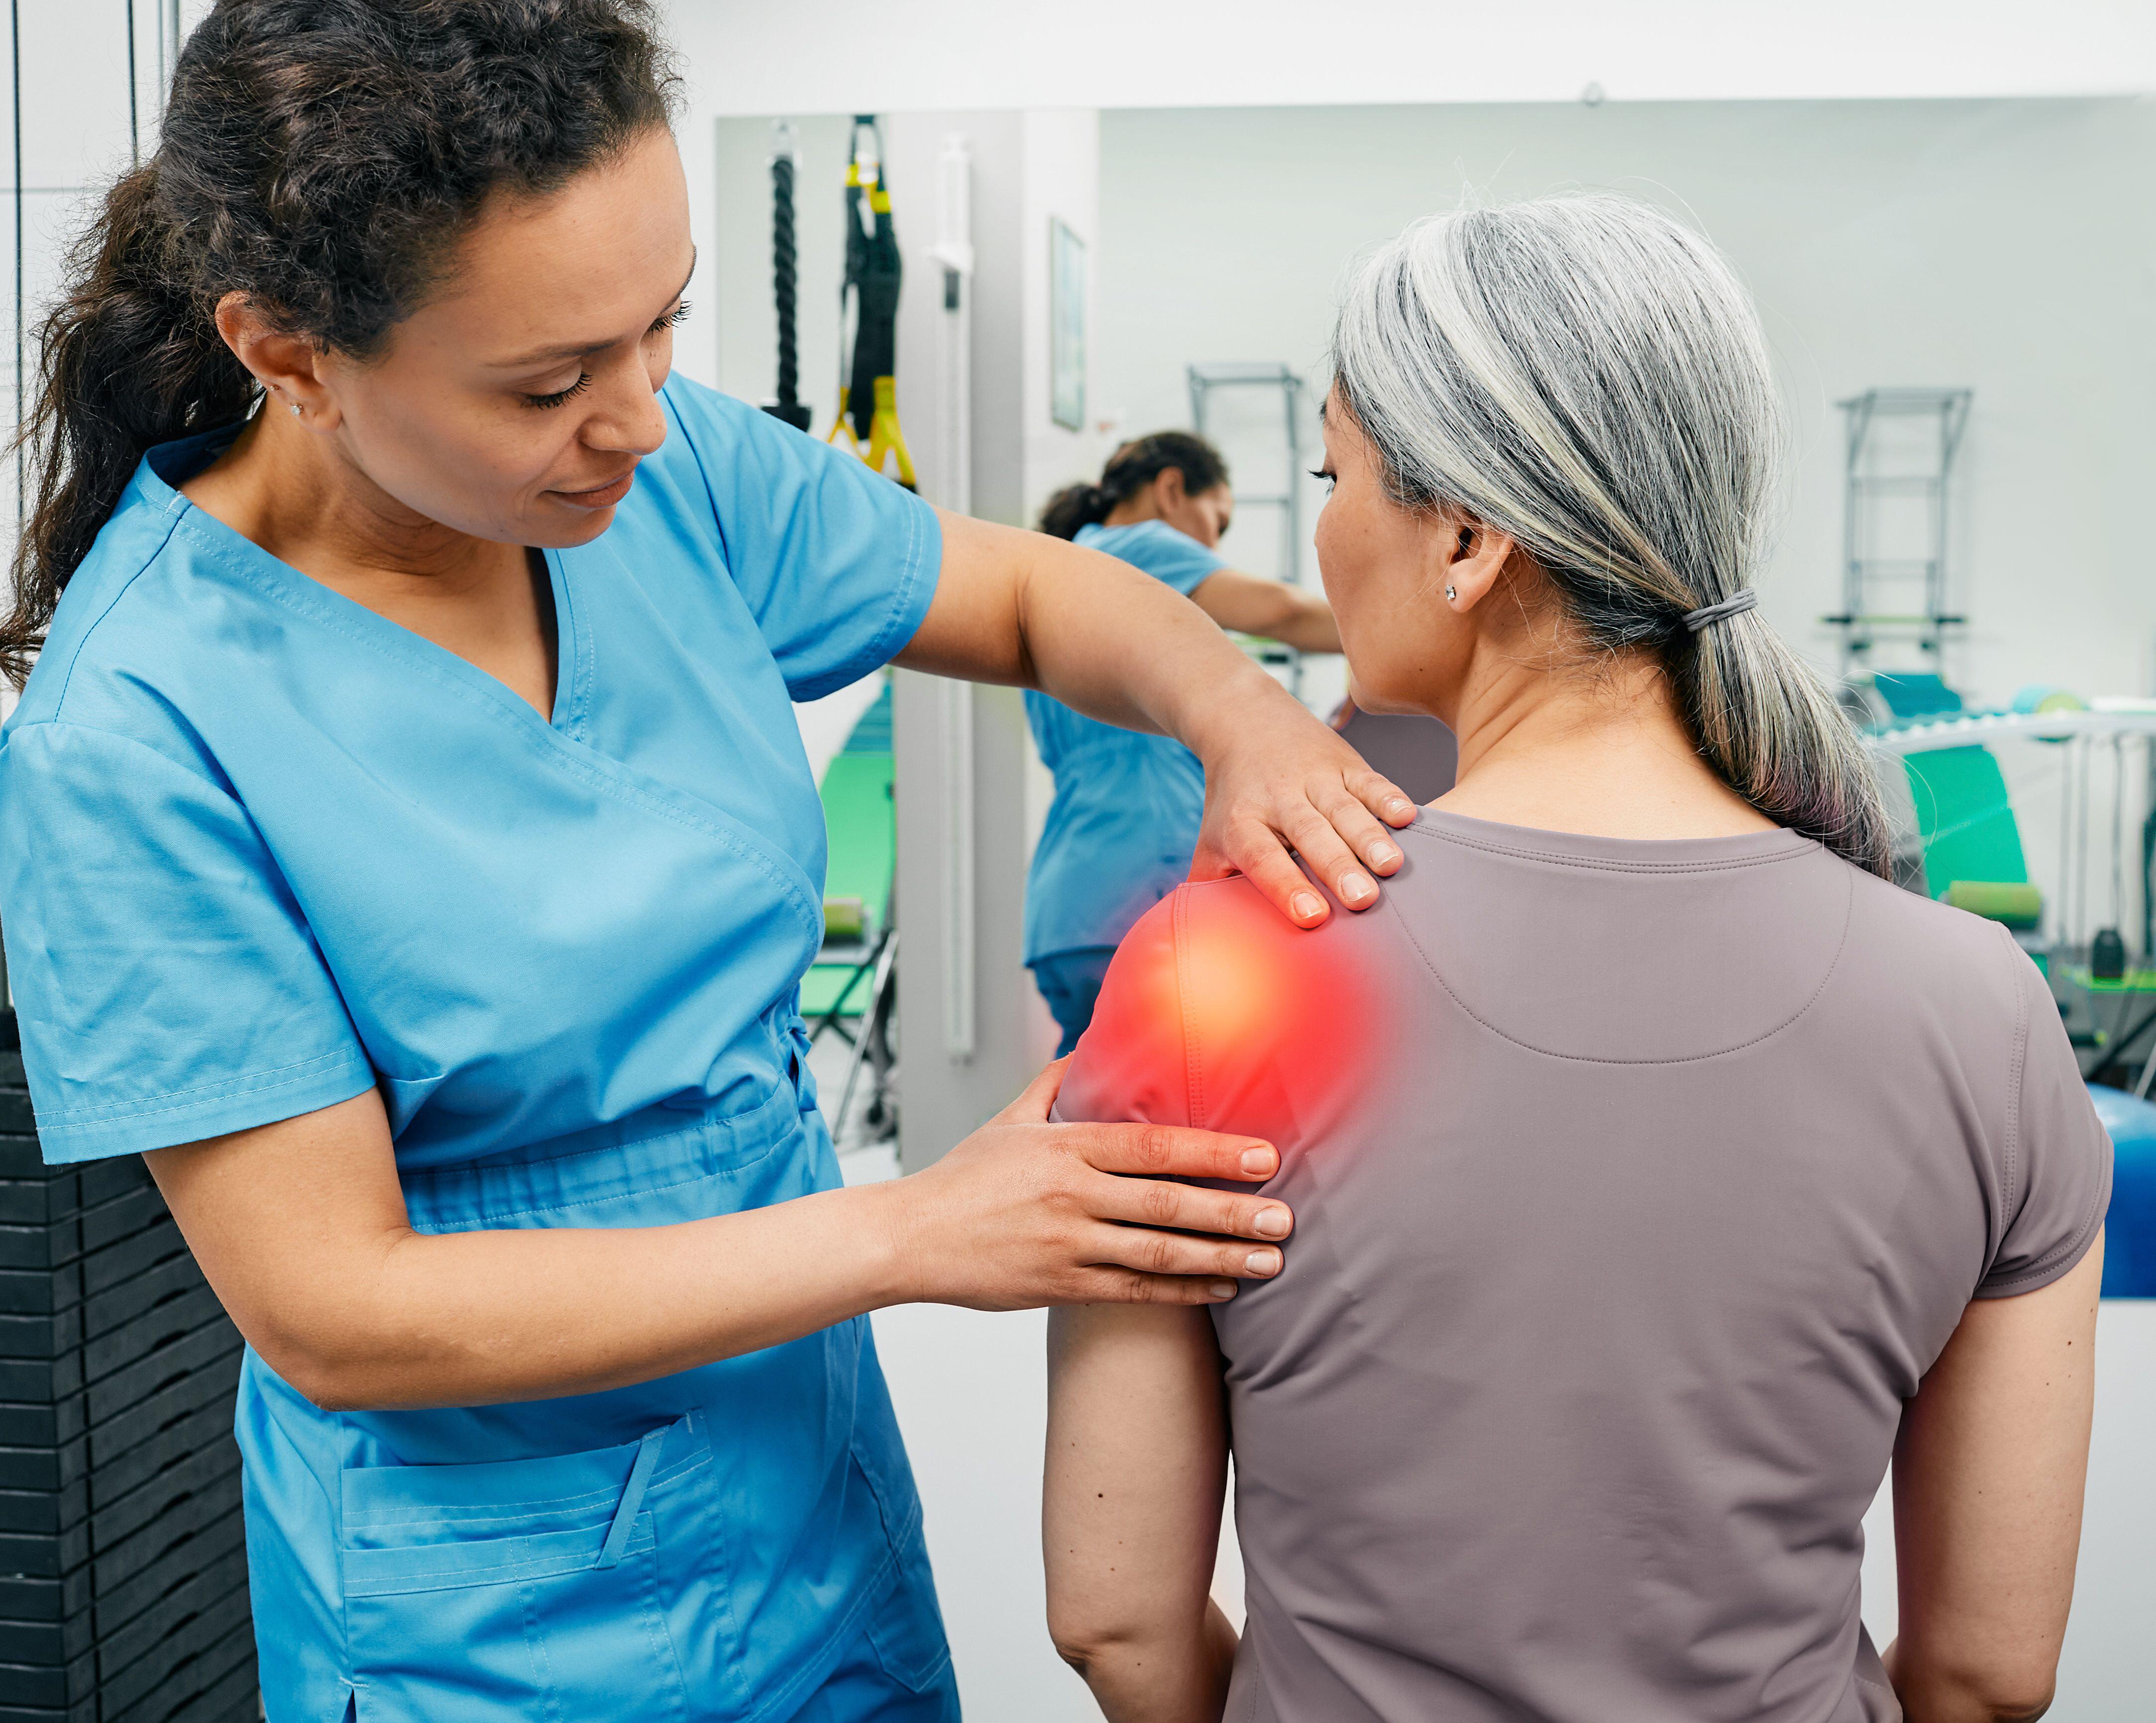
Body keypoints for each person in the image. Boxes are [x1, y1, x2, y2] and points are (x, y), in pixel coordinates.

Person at [0, 5, 1420, 1719]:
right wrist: (908, 1232)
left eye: (659, 327)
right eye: (549, 381)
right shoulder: (141, 728)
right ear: (291, 355)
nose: (642, 420)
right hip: (506, 1615)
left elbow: (1042, 593)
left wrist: (1234, 712)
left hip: (805, 1479)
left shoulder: (665, 479)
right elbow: (336, 1305)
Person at [1042, 195, 2109, 1723]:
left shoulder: (1209, 976)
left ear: (1468, 537)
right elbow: (1985, 1667)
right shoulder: (1977, 1007)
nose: (1325, 529)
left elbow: (1119, 1622)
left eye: (1334, 474)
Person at [1030, 434, 1343, 1054]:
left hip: (1066, 908)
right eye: (1216, 520)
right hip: (1145, 887)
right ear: (1172, 489)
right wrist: (1423, 633)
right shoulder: (1136, 547)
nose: (1215, 547)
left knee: (1086, 1122)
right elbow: (1282, 612)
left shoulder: (1052, 577)